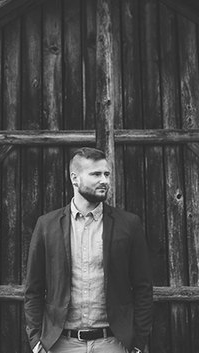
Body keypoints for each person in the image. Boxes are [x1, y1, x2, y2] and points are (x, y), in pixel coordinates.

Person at [24, 147, 153, 353]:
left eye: (107, 174)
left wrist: (138, 343)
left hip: (113, 343)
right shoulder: (47, 225)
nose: (104, 180)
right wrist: (36, 342)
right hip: (61, 344)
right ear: (75, 179)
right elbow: (33, 289)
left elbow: (143, 288)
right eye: (96, 174)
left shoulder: (129, 224)